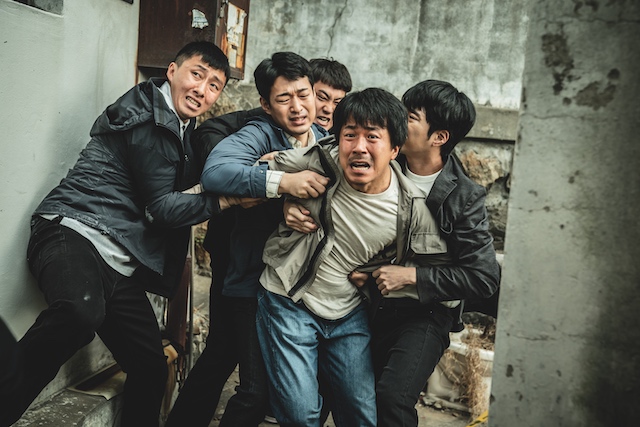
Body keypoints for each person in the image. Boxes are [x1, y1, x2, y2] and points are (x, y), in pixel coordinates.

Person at [0, 41, 244, 427]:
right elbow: (162, 209)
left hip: (117, 258)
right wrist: (228, 200)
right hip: (74, 231)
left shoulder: (183, 126)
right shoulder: (150, 119)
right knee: (80, 312)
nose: (202, 90)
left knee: (150, 366)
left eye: (214, 85)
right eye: (196, 75)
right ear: (172, 71)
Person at [286, 80, 501, 426]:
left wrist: (412, 276)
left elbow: (484, 277)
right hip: (367, 304)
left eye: (410, 116)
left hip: (425, 313)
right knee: (335, 394)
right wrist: (287, 204)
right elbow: (314, 170)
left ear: (439, 137)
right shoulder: (378, 156)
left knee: (392, 398)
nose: (395, 119)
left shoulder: (463, 197)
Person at [166, 57, 351, 427]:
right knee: (255, 390)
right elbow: (217, 172)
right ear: (266, 104)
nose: (299, 107)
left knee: (222, 356)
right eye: (285, 98)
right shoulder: (260, 132)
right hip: (248, 278)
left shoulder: (325, 141)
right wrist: (279, 180)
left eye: (304, 95)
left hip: (290, 285)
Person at [251, 87, 451, 426]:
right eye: (350, 135)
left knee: (362, 416)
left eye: (372, 136)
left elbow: (442, 273)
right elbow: (253, 173)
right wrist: (284, 193)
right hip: (288, 300)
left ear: (395, 149)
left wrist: (387, 279)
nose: (359, 147)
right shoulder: (321, 160)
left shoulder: (412, 208)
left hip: (348, 314)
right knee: (301, 416)